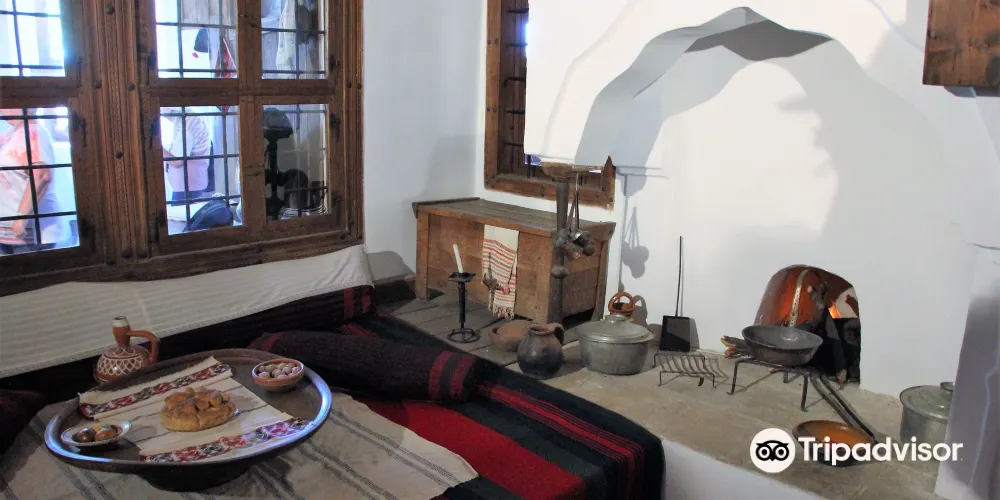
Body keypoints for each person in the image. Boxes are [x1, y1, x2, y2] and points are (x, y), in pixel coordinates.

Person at [0, 108, 69, 255]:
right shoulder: (11, 133)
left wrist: (22, 217)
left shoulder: (34, 133)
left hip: (30, 233)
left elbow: (41, 176)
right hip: (9, 233)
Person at [161, 110, 212, 202]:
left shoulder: (188, 122)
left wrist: (156, 146)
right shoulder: (190, 119)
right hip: (189, 185)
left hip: (187, 187)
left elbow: (177, 162)